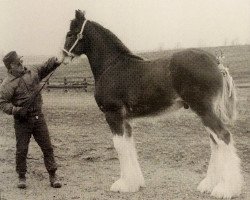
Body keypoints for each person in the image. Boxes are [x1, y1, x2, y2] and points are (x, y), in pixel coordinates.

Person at [0, 51, 63, 189]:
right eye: (18, 63)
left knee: (47, 147)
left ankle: (53, 175)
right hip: (22, 121)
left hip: (38, 117)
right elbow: (3, 103)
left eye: (21, 61)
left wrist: (54, 61)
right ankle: (21, 177)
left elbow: (44, 68)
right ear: (11, 67)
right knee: (21, 150)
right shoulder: (7, 85)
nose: (22, 64)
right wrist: (16, 110)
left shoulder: (32, 71)